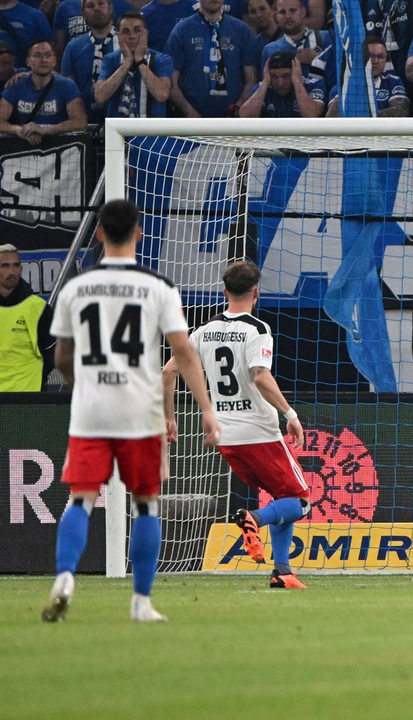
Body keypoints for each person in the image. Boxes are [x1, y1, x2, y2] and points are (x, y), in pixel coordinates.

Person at [42, 199, 220, 623]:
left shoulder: (75, 288)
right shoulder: (158, 287)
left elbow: (61, 358)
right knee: (146, 505)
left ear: (99, 233)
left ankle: (65, 577)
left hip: (91, 411)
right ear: (139, 233)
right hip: (140, 412)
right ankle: (141, 603)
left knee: (81, 499)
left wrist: (82, 386)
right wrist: (208, 413)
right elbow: (184, 353)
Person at [162, 260, 310, 590]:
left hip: (226, 435)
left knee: (281, 497)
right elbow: (260, 376)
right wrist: (291, 415)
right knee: (301, 502)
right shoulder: (256, 329)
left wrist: (169, 417)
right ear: (256, 292)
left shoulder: (202, 332)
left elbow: (168, 371)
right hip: (258, 431)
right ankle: (252, 520)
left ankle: (283, 571)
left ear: (225, 291)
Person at [165, 0, 260, 118]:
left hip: (234, 120)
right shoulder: (182, 30)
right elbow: (171, 83)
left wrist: (238, 108)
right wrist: (190, 112)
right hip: (190, 121)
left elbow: (251, 80)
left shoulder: (241, 30)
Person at [0, 40, 87, 146]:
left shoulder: (67, 86)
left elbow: (80, 122)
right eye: (37, 55)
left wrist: (45, 130)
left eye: (48, 55)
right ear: (28, 61)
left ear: (54, 61)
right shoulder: (16, 85)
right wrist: (19, 130)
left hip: (58, 148)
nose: (43, 60)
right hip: (22, 150)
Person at [95, 12, 173, 119]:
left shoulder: (162, 59)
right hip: (118, 131)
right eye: (126, 31)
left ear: (146, 33)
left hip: (153, 131)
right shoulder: (110, 59)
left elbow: (162, 95)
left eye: (137, 30)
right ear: (118, 36)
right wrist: (126, 63)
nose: (132, 36)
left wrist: (140, 61)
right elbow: (100, 97)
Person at [0, 243, 52, 392]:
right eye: (5, 266)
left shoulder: (39, 308)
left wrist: (38, 376)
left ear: (21, 269)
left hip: (28, 401)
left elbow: (56, 351)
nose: (12, 271)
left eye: (16, 266)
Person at [58, 0, 116, 124]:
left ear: (110, 8)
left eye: (101, 4)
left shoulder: (125, 43)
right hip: (85, 120)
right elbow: (68, 88)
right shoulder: (73, 47)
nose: (96, 9)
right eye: (90, 6)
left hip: (121, 120)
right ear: (83, 14)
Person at [326, 36, 408, 116]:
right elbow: (331, 119)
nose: (375, 61)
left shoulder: (393, 82)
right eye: (370, 56)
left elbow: (401, 111)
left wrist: (361, 116)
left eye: (380, 57)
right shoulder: (342, 87)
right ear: (359, 58)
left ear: (386, 59)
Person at [238, 50, 324, 116]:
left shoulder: (313, 85)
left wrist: (297, 83)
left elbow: (312, 115)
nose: (280, 83)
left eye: (285, 76)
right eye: (274, 77)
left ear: (296, 72)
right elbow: (245, 115)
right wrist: (265, 83)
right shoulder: (263, 87)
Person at [260, 0, 330, 75]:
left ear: (303, 12)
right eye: (282, 12)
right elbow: (266, 84)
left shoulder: (326, 38)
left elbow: (340, 75)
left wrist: (318, 60)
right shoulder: (270, 50)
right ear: (276, 16)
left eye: (292, 10)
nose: (288, 16)